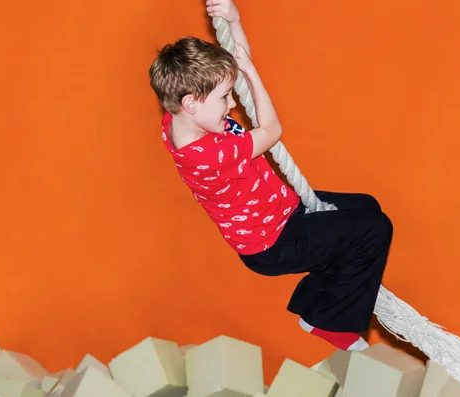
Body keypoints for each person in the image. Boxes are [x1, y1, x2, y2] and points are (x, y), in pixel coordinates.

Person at [148, 0, 393, 351]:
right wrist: (251, 73)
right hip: (273, 242)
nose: (231, 104)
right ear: (191, 103)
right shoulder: (207, 154)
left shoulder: (178, 119)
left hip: (284, 210)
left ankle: (320, 299)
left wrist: (232, 19)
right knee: (374, 229)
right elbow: (271, 130)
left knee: (366, 208)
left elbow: (232, 56)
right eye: (224, 97)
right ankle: (329, 322)